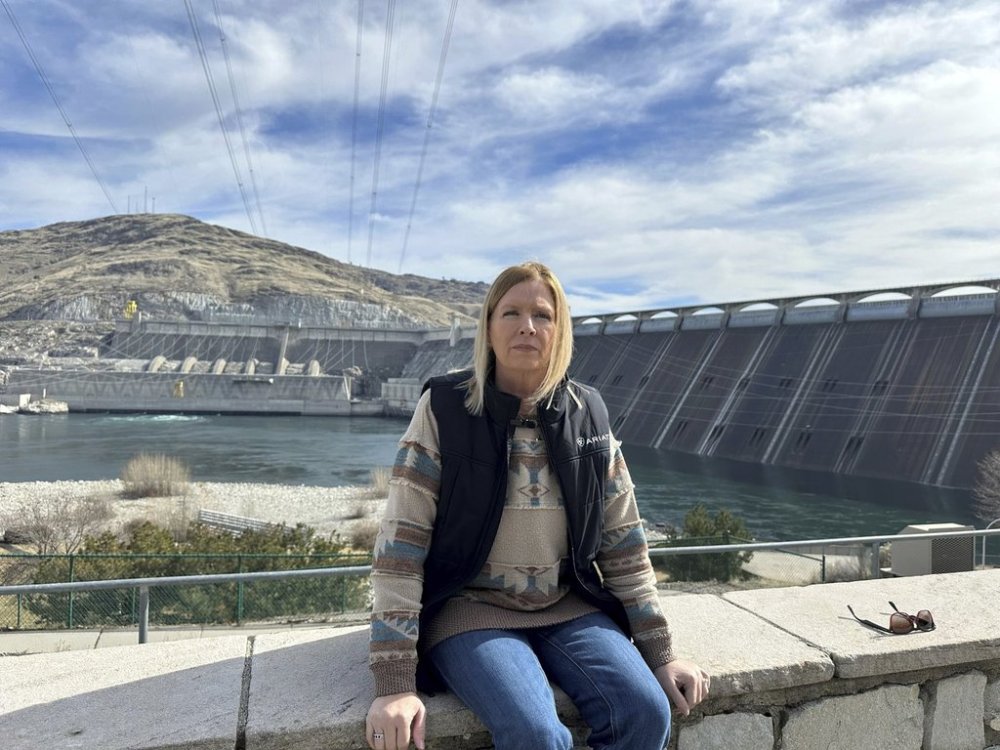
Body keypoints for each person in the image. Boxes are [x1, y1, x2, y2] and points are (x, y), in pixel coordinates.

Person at [366, 261, 709, 750]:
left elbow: (624, 542)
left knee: (646, 711)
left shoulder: (587, 413)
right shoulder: (445, 409)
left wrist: (660, 651)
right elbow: (402, 542)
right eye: (511, 312)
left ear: (560, 329)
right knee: (535, 736)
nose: (527, 326)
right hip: (469, 609)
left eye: (543, 315)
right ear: (489, 326)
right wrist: (395, 682)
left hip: (568, 605)